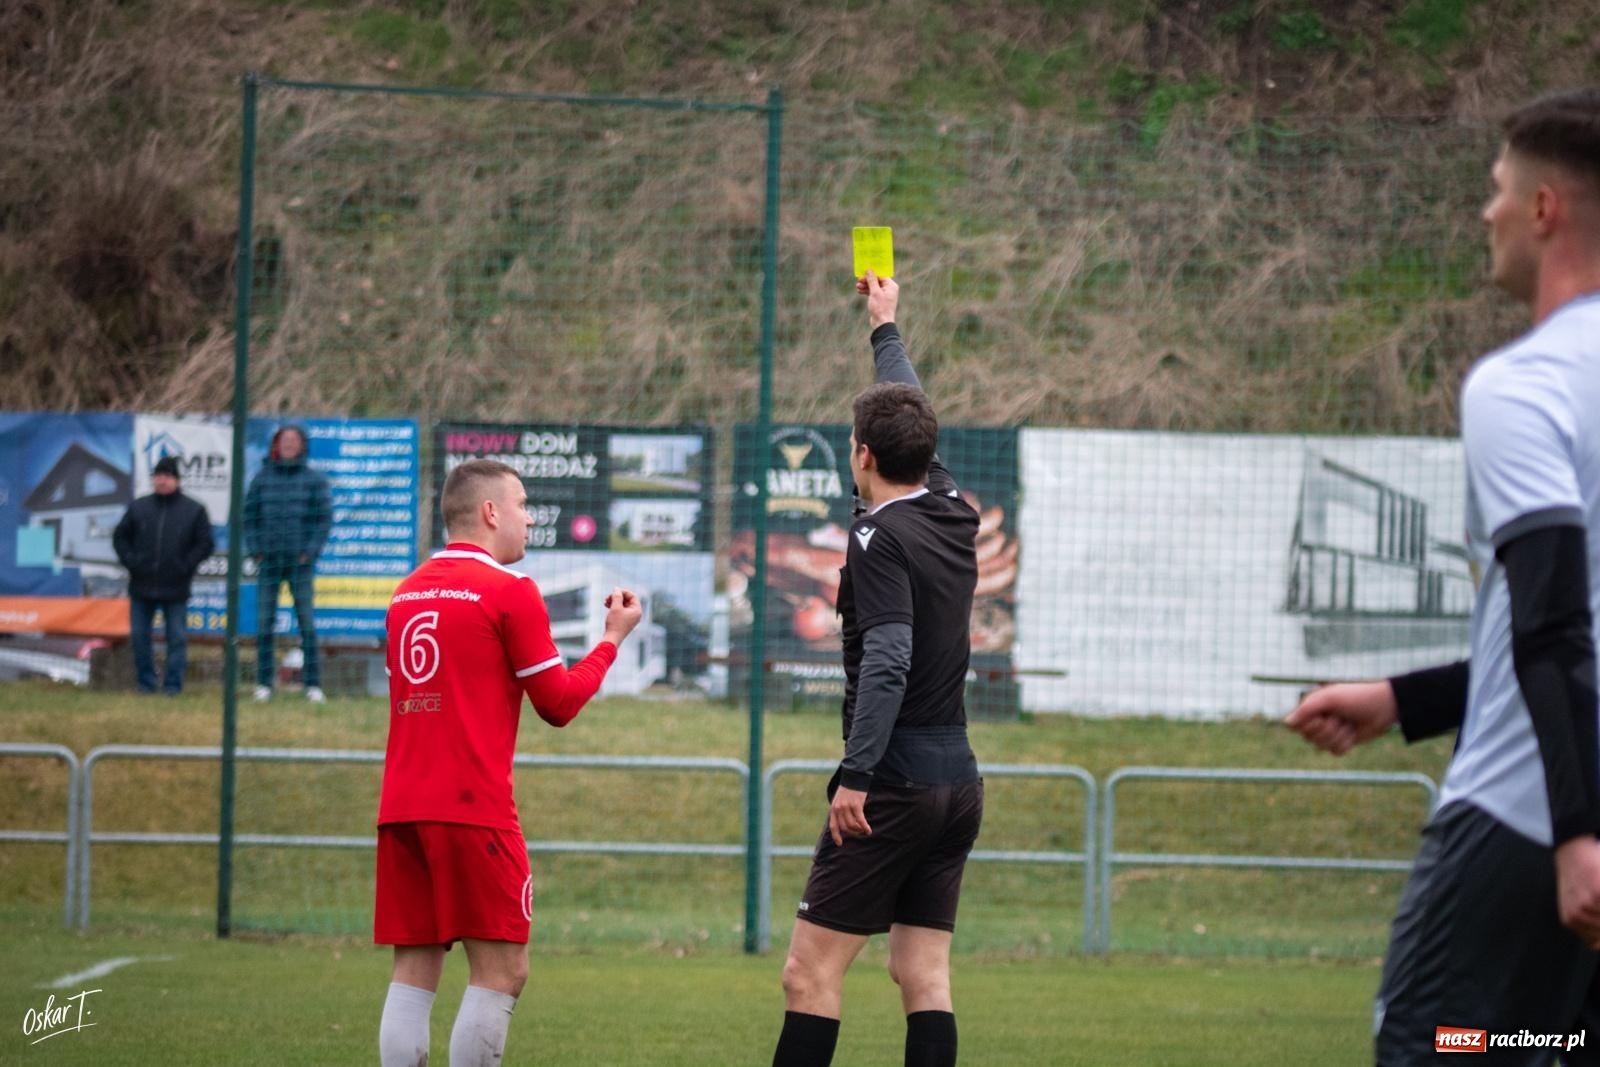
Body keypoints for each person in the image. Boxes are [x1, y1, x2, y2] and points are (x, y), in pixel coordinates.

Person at [1285, 88, 1600, 1064]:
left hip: (1525, 821)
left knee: (1440, 1045)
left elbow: (1553, 622)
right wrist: (1403, 696)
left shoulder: (1524, 384)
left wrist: (1577, 833)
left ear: (1544, 208)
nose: (1485, 211)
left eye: (1497, 188)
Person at [771, 273, 983, 1067]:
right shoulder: (951, 505)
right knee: (920, 970)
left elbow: (889, 657)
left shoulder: (876, 535)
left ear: (861, 455)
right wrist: (884, 328)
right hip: (957, 780)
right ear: (924, 455)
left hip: (890, 783)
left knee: (808, 972)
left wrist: (855, 774)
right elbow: (909, 410)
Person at [374, 458, 642, 1067]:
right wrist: (612, 639)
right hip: (473, 809)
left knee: (414, 971)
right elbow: (560, 703)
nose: (529, 518)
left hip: (402, 807)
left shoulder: (406, 591)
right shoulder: (508, 591)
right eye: (522, 505)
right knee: (503, 970)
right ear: (491, 512)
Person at [242, 424, 332, 703]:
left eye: (294, 440)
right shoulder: (261, 478)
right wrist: (256, 550)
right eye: (284, 440)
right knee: (265, 624)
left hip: (300, 563)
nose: (289, 444)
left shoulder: (314, 479)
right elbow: (249, 517)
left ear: (302, 445)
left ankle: (313, 685)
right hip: (268, 563)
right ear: (276, 445)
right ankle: (264, 685)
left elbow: (323, 520)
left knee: (306, 623)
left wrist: (309, 552)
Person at [111, 455, 214, 695]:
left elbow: (205, 544)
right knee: (139, 637)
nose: (162, 481)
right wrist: (132, 563)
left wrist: (185, 565)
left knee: (176, 639)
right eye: (158, 476)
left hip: (176, 587)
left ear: (177, 480)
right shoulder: (139, 507)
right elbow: (120, 538)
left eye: (167, 476)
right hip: (141, 585)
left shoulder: (194, 510)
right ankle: (146, 684)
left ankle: (172, 687)